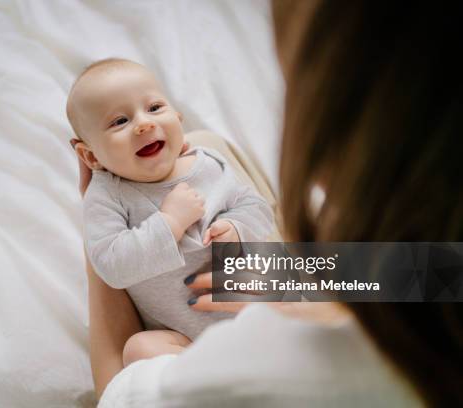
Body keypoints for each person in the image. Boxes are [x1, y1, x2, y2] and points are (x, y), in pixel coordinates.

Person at [76, 0, 463, 406]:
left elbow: (116, 392)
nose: (144, 123)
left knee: (140, 347)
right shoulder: (435, 274)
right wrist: (294, 276)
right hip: (261, 285)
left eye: (293, 83)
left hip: (215, 337)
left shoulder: (244, 381)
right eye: (120, 122)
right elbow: (426, 273)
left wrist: (95, 224)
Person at [67, 59, 276, 366]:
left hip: (260, 310)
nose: (143, 124)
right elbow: (111, 266)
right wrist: (170, 222)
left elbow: (256, 207)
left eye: (154, 108)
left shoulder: (208, 161)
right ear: (90, 155)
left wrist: (237, 226)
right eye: (119, 121)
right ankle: (218, 376)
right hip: (189, 342)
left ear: (178, 118)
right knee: (139, 349)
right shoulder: (106, 196)